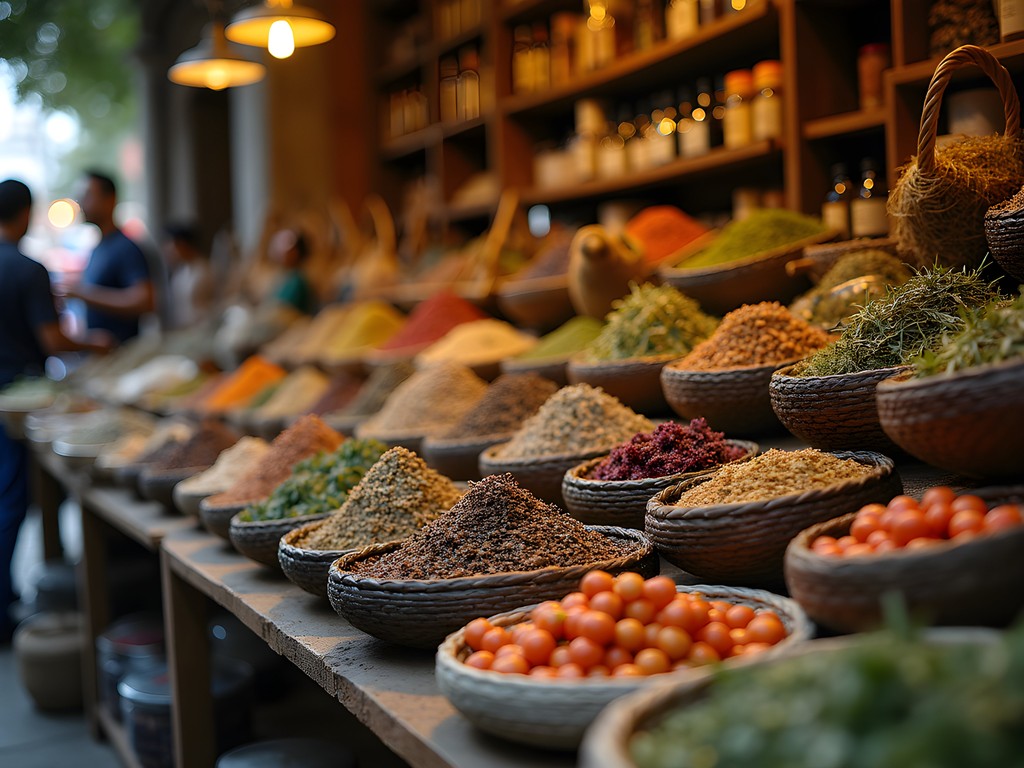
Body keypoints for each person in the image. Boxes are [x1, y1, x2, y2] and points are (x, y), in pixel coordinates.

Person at [0, 179, 112, 641]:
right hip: (19, 398)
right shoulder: (28, 269)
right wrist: (96, 342)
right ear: (25, 213)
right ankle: (1, 607)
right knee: (11, 498)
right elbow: (53, 341)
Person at [62, 170, 155, 343]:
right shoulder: (98, 248)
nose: (81, 202)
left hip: (122, 355)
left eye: (88, 195)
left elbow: (145, 301)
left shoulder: (126, 248)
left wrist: (83, 293)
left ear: (110, 199)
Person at [162, 222, 214, 328]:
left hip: (202, 328)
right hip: (183, 328)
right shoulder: (180, 272)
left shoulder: (205, 270)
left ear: (182, 245)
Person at [268, 227, 315, 315]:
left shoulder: (296, 281)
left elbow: (282, 311)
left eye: (285, 251)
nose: (279, 254)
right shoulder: (285, 278)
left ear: (295, 253)